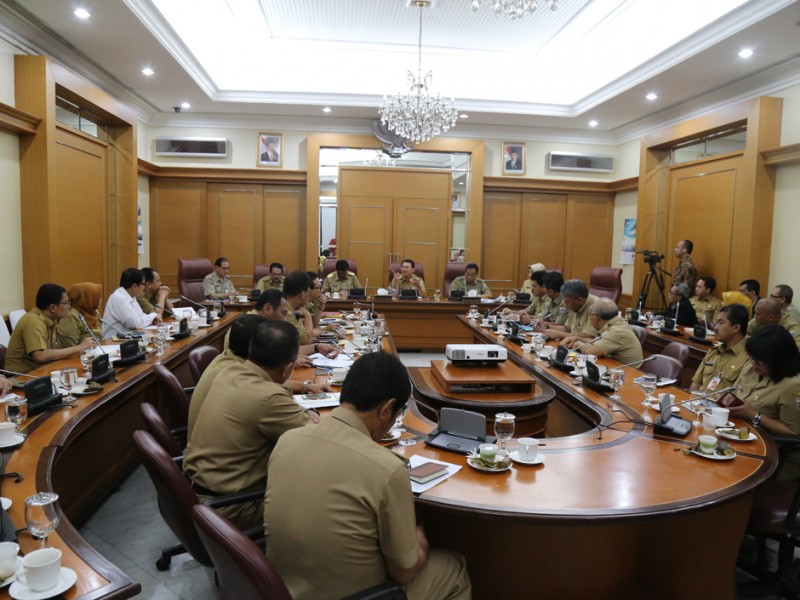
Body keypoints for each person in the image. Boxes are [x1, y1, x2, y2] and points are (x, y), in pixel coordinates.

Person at [263, 351, 472, 600]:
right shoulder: (386, 469)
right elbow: (404, 571)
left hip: (282, 589)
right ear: (386, 409)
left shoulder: (288, 440)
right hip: (357, 595)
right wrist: (420, 539)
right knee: (452, 567)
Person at [184, 320, 316, 529]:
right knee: (325, 495)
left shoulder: (229, 372)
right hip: (233, 508)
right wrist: (311, 414)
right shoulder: (269, 398)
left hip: (201, 492)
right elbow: (319, 438)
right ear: (287, 369)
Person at [728, 325, 800, 481]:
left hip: (775, 453)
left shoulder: (793, 386)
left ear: (777, 360)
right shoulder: (751, 368)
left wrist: (755, 415)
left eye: (759, 362)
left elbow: (793, 432)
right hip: (739, 437)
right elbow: (735, 393)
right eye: (752, 358)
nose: (753, 365)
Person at [6, 284, 95, 373]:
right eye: (66, 303)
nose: (69, 306)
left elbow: (52, 351)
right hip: (20, 376)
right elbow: (40, 356)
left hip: (39, 370)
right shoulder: (33, 321)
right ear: (52, 307)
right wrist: (79, 347)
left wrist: (79, 349)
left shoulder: (51, 320)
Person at [563, 299, 643, 366]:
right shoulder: (616, 322)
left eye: (589, 315)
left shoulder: (617, 331)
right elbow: (598, 342)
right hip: (613, 366)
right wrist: (577, 338)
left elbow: (590, 352)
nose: (589, 318)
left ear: (596, 317)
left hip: (627, 374)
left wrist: (577, 343)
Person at [690, 304, 749, 392]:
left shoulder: (748, 358)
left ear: (736, 328)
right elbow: (696, 383)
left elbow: (740, 394)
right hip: (699, 399)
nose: (715, 327)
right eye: (716, 323)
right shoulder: (713, 351)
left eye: (721, 323)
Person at [102, 268, 160, 338]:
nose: (144, 287)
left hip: (127, 337)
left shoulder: (131, 296)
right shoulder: (119, 298)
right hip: (113, 341)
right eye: (143, 284)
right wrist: (153, 316)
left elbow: (141, 316)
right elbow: (135, 324)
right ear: (134, 286)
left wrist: (152, 318)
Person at [56, 282, 103, 347]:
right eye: (97, 297)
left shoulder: (94, 312)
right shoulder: (71, 316)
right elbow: (70, 347)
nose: (100, 300)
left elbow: (100, 338)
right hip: (76, 353)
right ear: (87, 299)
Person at [283, 271, 313, 345]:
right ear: (302, 294)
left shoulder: (294, 308)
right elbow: (307, 340)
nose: (309, 295)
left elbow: (303, 331)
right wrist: (307, 315)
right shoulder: (286, 313)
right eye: (308, 292)